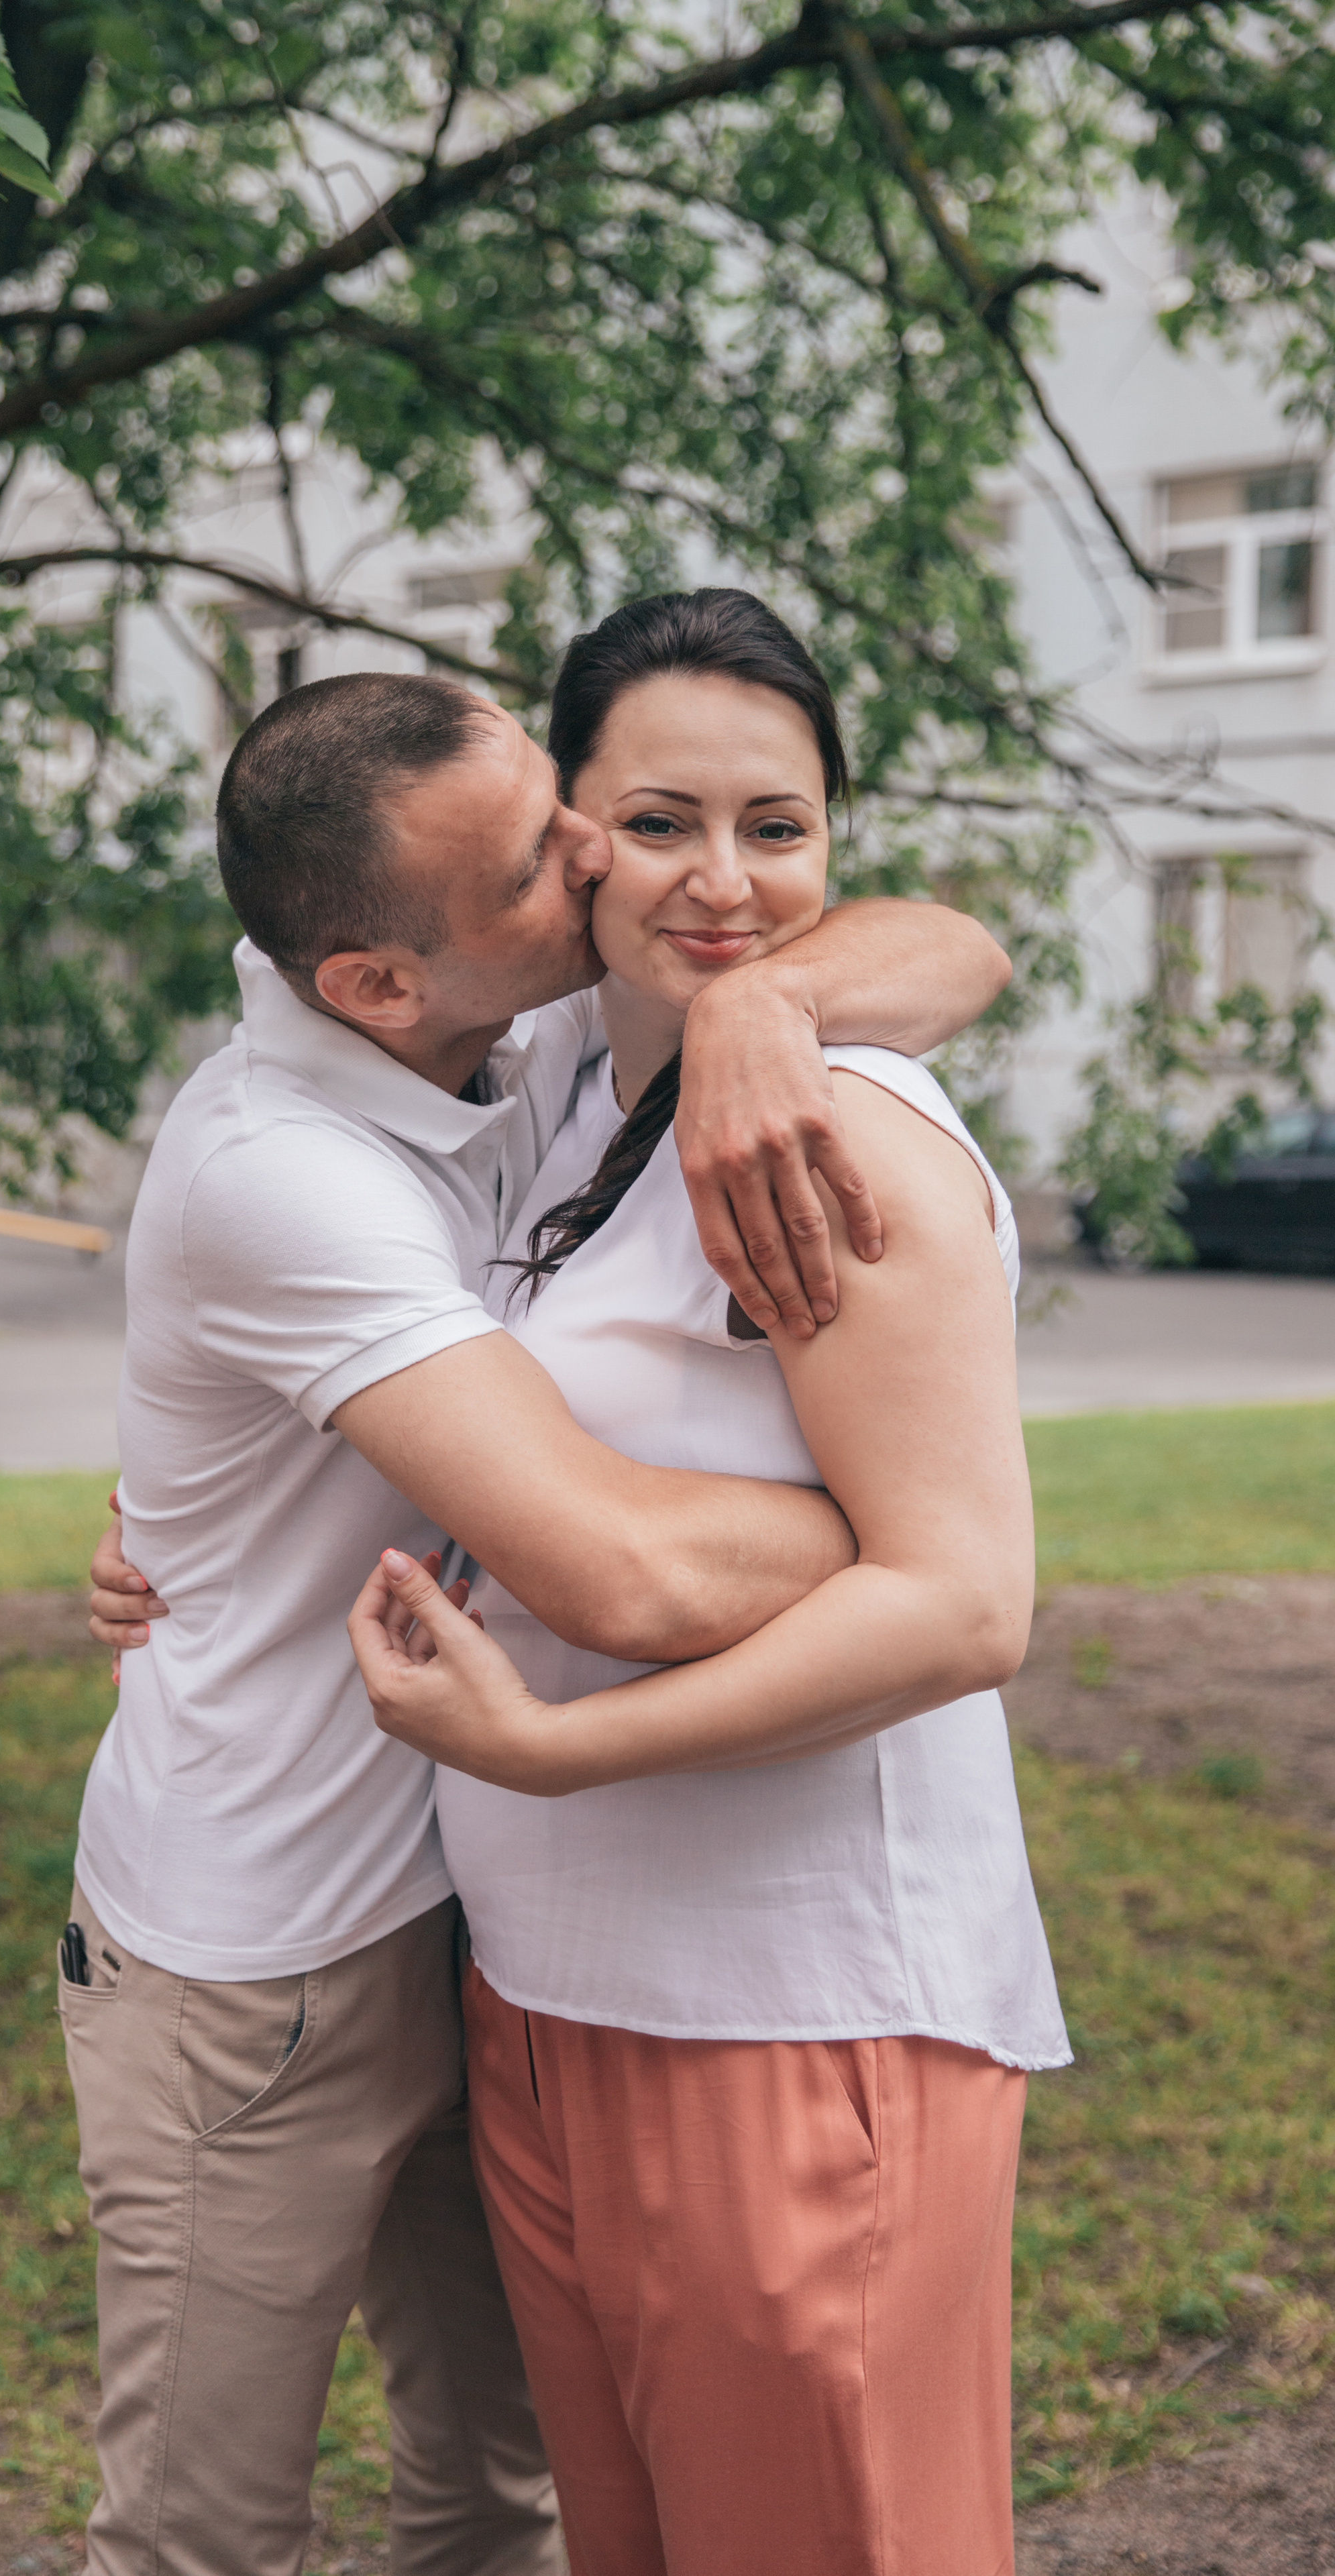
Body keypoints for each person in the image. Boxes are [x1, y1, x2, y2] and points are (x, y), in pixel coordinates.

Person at [71, 663, 1011, 2576]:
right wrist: (900, 1533)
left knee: (497, 2497)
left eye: (567, 811)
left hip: (472, 1934)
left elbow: (952, 940)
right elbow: (629, 1575)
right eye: (544, 856)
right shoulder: (289, 1168)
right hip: (264, 1963)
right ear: (373, 983)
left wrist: (762, 997)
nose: (600, 860)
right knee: (204, 2537)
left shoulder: (522, 1038)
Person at [345, 591, 1070, 2576]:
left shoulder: (842, 1141)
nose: (726, 883)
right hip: (553, 2007)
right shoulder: (566, 1075)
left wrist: (565, 1753)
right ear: (566, 834)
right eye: (660, 821)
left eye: (782, 827)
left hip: (793, 2020)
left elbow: (961, 1609)